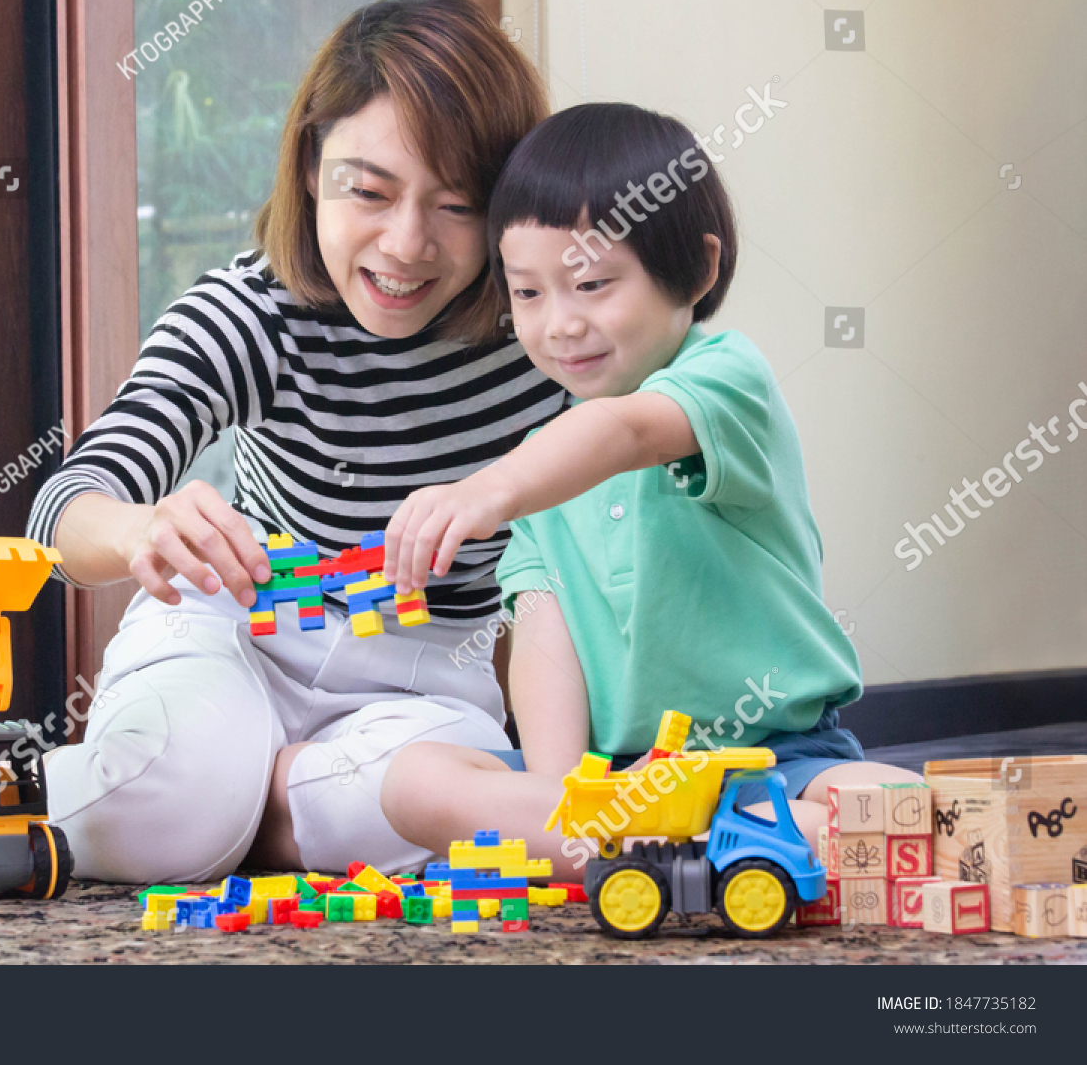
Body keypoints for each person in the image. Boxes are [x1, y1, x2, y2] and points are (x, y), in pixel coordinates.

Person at [0, 0, 570, 881]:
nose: (405, 244)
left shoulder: (546, 340)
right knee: (195, 797)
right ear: (311, 163)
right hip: (242, 630)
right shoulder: (254, 310)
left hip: (424, 675)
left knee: (426, 813)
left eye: (455, 206)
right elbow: (65, 508)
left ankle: (227, 801)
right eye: (369, 190)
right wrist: (142, 530)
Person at [375, 102, 917, 874]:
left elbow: (624, 433)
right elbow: (544, 634)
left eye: (592, 282)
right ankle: (667, 846)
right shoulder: (542, 469)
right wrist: (564, 789)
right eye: (527, 294)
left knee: (899, 806)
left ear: (694, 269)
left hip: (777, 757)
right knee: (413, 783)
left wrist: (487, 489)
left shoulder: (727, 380)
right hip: (628, 782)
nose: (559, 324)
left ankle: (716, 839)